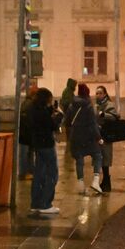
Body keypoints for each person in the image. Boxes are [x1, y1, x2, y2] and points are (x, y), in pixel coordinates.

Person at [28, 88, 64, 216]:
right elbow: (52, 125)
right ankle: (46, 204)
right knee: (52, 174)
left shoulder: (33, 109)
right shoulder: (42, 112)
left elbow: (42, 118)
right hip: (47, 145)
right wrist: (59, 117)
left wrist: (50, 111)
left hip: (38, 144)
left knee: (39, 174)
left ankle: (35, 203)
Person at [65, 83, 103, 194]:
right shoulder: (88, 106)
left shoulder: (72, 105)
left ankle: (81, 185)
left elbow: (67, 121)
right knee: (97, 155)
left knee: (79, 159)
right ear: (87, 93)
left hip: (76, 137)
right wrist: (99, 137)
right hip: (88, 138)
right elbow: (92, 124)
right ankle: (95, 181)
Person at [95, 86, 119, 192]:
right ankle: (104, 182)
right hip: (98, 135)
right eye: (97, 93)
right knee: (100, 158)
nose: (98, 95)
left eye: (100, 93)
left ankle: (106, 182)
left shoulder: (109, 104)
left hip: (106, 135)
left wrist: (104, 114)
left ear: (105, 94)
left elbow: (115, 116)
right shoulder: (96, 105)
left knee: (106, 158)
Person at [18, 86, 38, 180]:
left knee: (28, 154)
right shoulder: (30, 105)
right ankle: (24, 173)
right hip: (26, 135)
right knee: (26, 154)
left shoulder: (26, 103)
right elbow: (30, 121)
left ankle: (29, 172)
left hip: (25, 134)